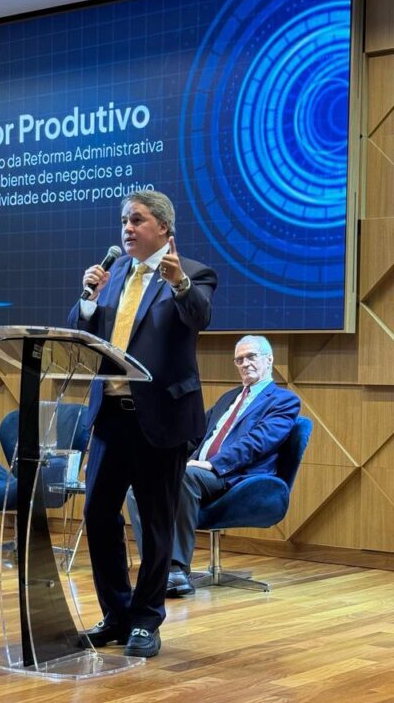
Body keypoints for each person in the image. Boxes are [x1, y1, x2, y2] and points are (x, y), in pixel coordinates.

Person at [68, 190, 217, 657]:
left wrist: (180, 285)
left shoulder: (193, 272)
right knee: (98, 515)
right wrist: (88, 301)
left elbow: (200, 317)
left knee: (154, 524)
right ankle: (117, 615)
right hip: (111, 418)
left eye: (137, 220)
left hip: (161, 420)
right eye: (124, 221)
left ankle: (147, 620)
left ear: (164, 228)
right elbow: (81, 336)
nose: (127, 229)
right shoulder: (113, 275)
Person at [127, 335, 301, 596]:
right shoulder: (228, 398)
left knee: (184, 476)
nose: (245, 364)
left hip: (237, 476)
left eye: (251, 356)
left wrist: (212, 464)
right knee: (139, 486)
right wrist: (160, 460)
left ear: (269, 360)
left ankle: (176, 570)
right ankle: (156, 568)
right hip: (201, 470)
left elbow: (259, 442)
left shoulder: (283, 400)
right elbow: (194, 435)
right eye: (239, 360)